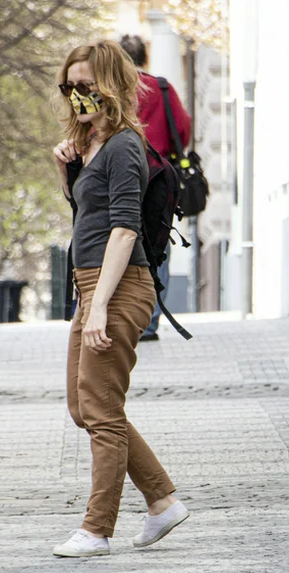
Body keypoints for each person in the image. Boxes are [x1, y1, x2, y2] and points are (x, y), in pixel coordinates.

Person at [50, 40, 189, 557]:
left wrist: (100, 306)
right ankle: (162, 500)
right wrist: (65, 167)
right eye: (69, 86)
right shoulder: (91, 144)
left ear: (110, 85)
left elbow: (125, 230)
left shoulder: (127, 144)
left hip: (119, 287)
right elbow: (87, 215)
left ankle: (97, 529)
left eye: (85, 85)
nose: (77, 95)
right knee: (83, 407)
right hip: (91, 285)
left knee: (103, 412)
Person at [119, 34, 191, 342]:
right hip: (160, 177)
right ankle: (150, 320)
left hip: (122, 175)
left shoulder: (114, 91)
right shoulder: (161, 88)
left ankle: (126, 315)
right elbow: (183, 130)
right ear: (144, 57)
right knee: (158, 246)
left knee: (121, 239)